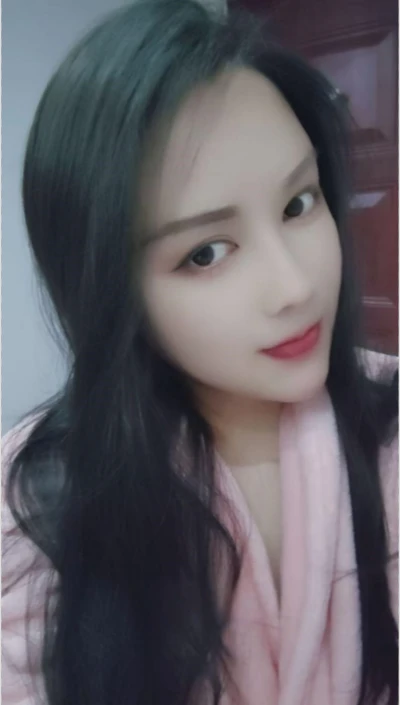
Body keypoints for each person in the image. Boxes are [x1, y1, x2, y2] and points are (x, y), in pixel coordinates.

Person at [2, 1, 398, 704]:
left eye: (299, 204)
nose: (294, 286)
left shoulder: (389, 422)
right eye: (207, 252)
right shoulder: (36, 502)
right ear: (111, 292)